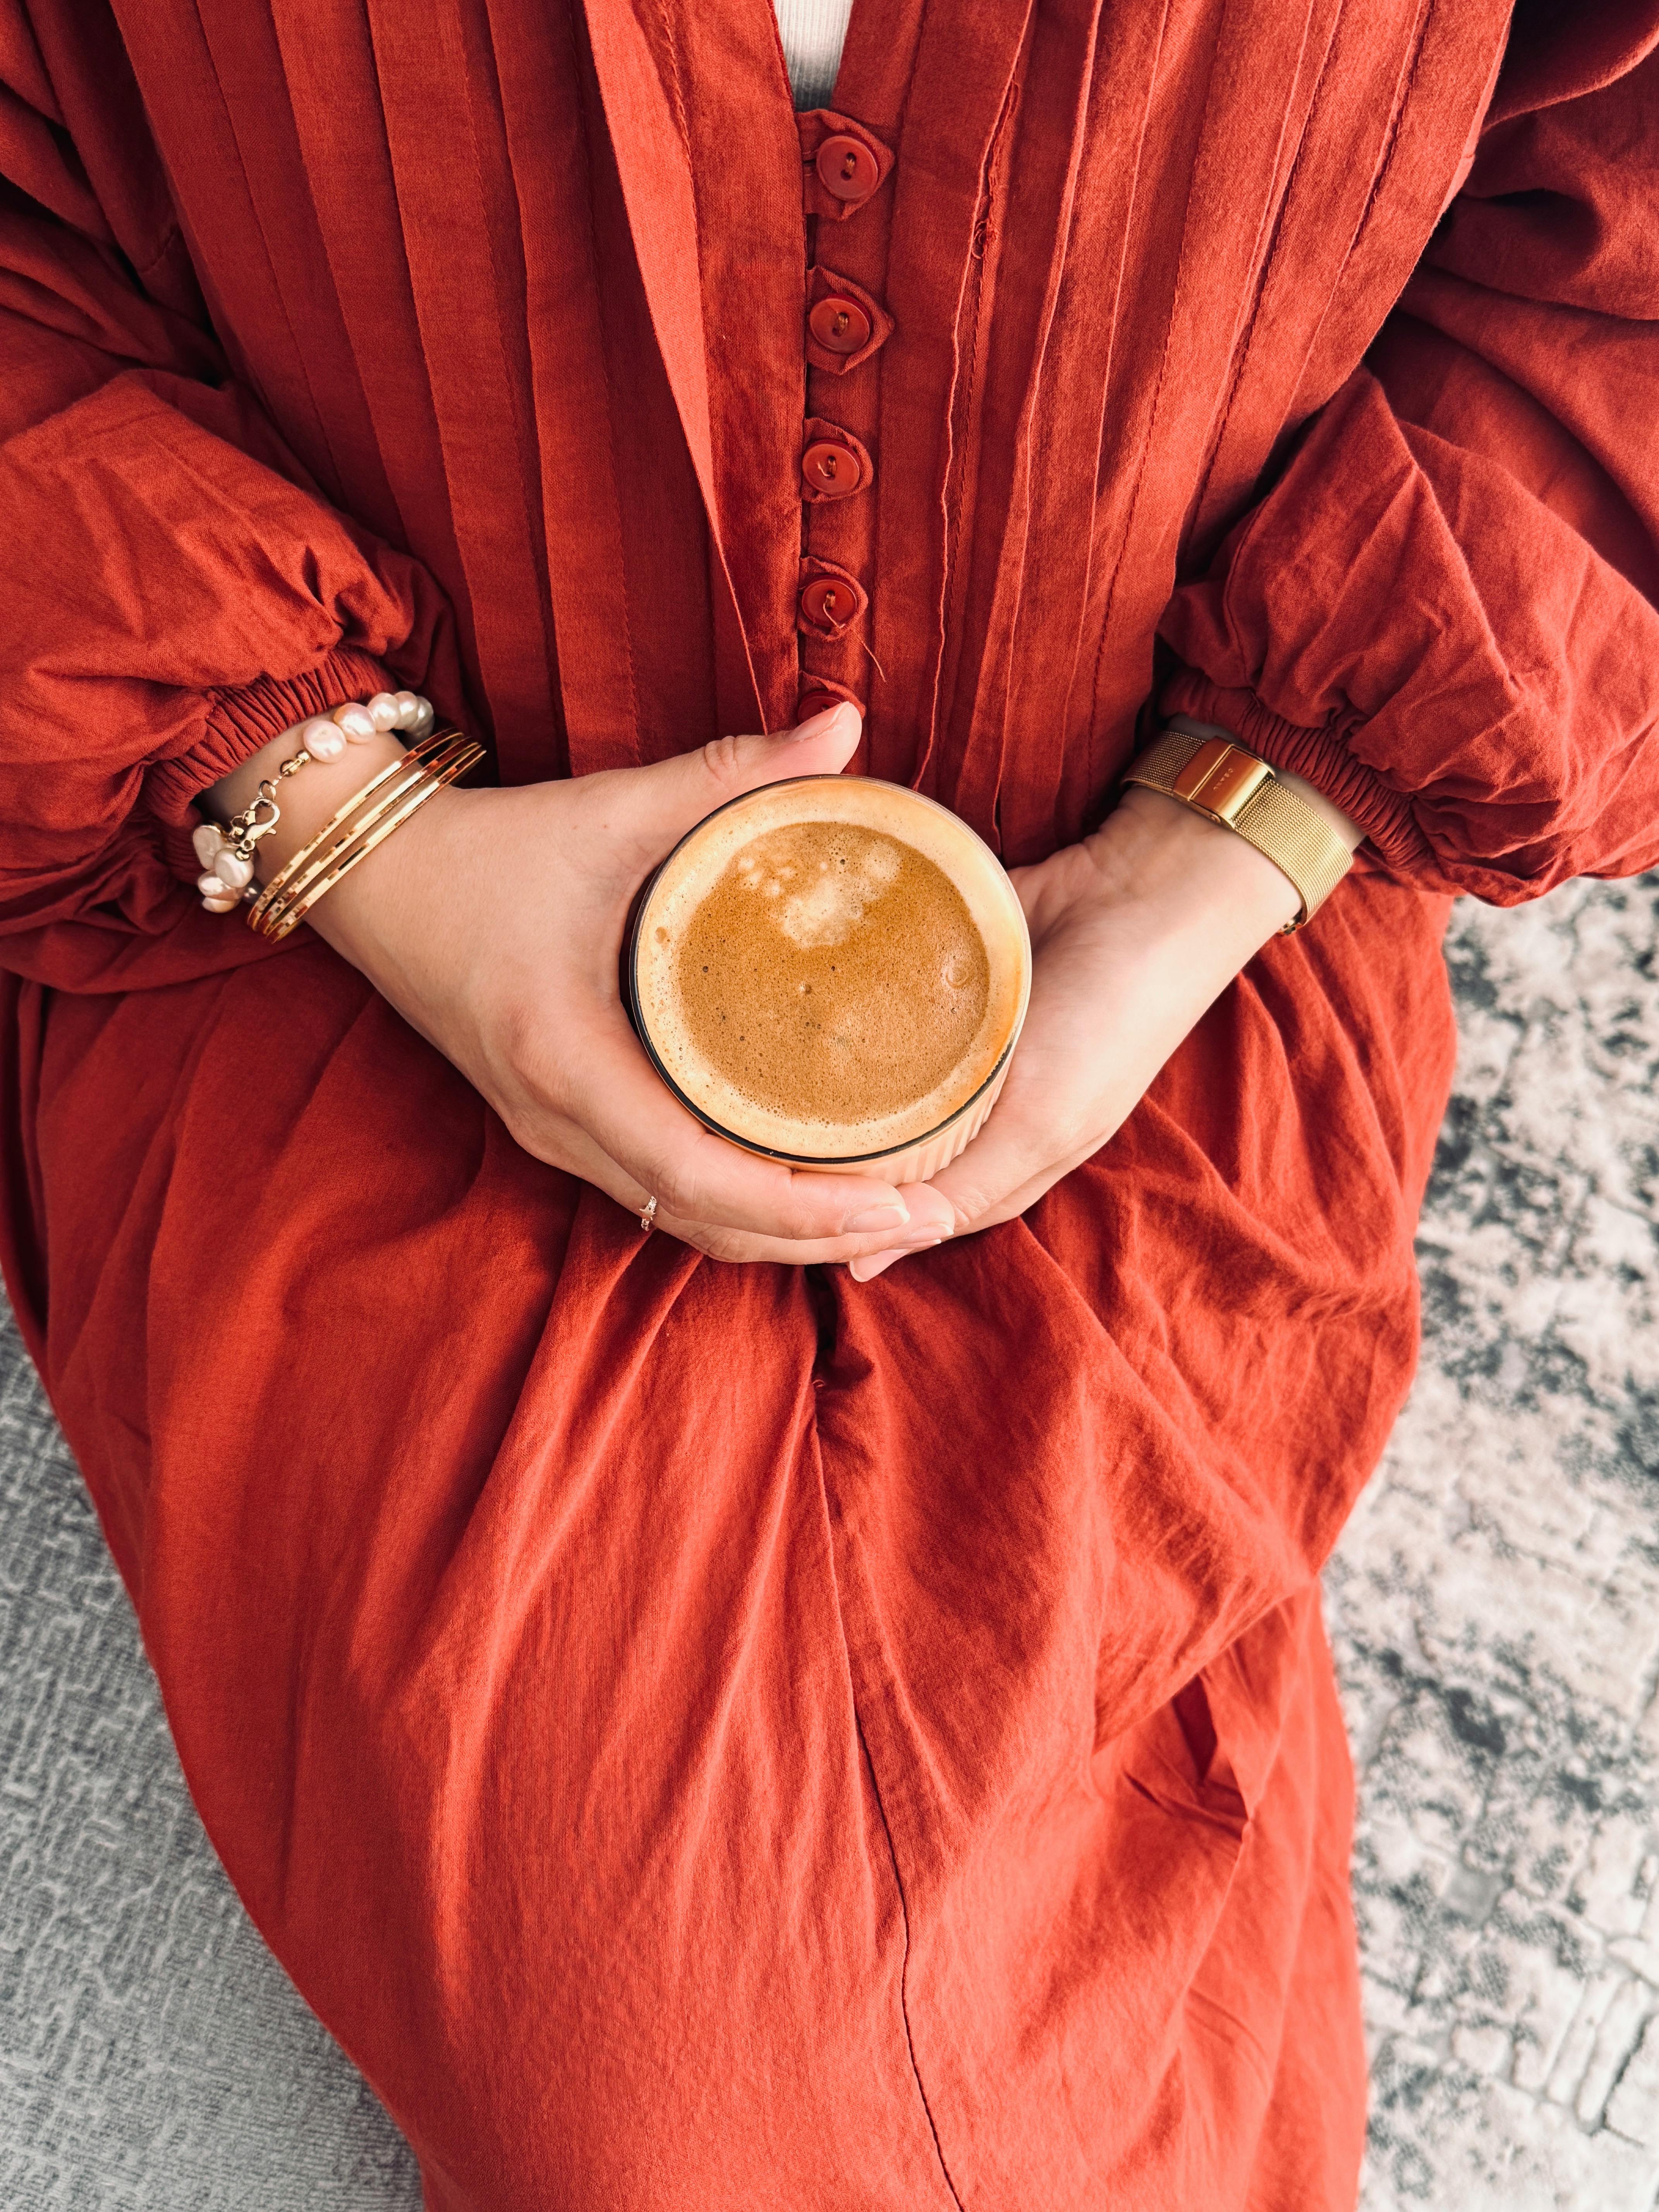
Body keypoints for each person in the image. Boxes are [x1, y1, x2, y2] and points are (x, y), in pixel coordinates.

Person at [2, 0, 1656, 2204]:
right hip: (290, 875)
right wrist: (351, 831)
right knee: (674, 2066)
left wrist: (1222, 848)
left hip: (1172, 902)